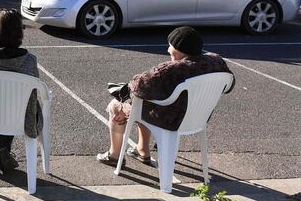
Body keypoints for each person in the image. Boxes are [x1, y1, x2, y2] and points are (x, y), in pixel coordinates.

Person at [97, 27, 234, 166]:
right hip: (197, 119)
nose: (168, 49)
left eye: (171, 46)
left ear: (180, 49)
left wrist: (122, 99)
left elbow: (137, 88)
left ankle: (114, 155)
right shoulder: (216, 63)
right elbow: (229, 85)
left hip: (169, 119)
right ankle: (142, 149)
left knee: (117, 105)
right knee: (144, 102)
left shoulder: (167, 71)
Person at [0, 8, 43, 172]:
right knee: (17, 104)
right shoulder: (30, 61)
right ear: (18, 35)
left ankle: (2, 149)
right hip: (24, 117)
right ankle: (4, 150)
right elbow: (34, 92)